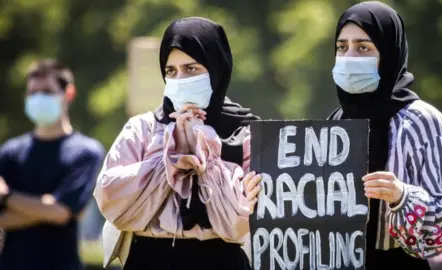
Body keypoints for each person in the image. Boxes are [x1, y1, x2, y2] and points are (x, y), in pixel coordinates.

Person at [94, 17, 262, 270]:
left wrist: (203, 148)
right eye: (171, 71)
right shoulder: (143, 128)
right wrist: (172, 153)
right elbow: (112, 199)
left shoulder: (246, 134)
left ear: (216, 68)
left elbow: (243, 220)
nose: (180, 79)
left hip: (221, 261)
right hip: (150, 258)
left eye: (191, 69)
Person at [327, 1, 442, 269]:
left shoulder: (421, 122)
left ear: (389, 53)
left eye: (363, 47)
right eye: (342, 47)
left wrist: (402, 197)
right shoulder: (337, 121)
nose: (349, 57)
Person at [0, 59, 105, 270]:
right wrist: (45, 207)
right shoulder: (9, 152)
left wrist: (7, 196)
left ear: (69, 93)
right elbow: (56, 211)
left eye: (47, 91)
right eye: (32, 92)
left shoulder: (86, 152)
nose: (38, 98)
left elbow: (61, 212)